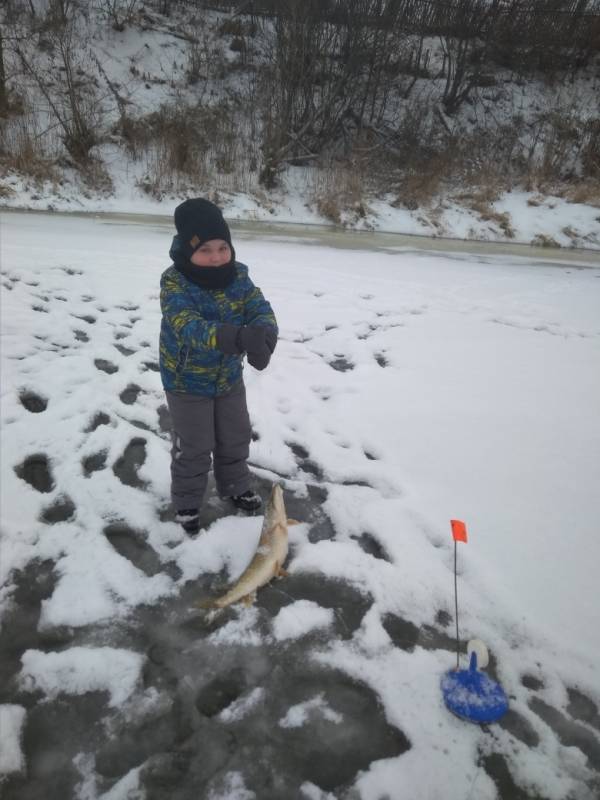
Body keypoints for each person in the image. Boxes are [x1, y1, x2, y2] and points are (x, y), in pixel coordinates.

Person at [159, 198, 278, 534]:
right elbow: (189, 326)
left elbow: (260, 309)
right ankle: (186, 501)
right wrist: (238, 338)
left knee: (235, 435)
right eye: (206, 250)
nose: (216, 257)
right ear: (188, 250)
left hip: (227, 377)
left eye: (222, 247)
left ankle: (236, 486)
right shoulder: (175, 284)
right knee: (195, 445)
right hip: (186, 381)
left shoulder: (239, 278)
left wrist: (264, 336)